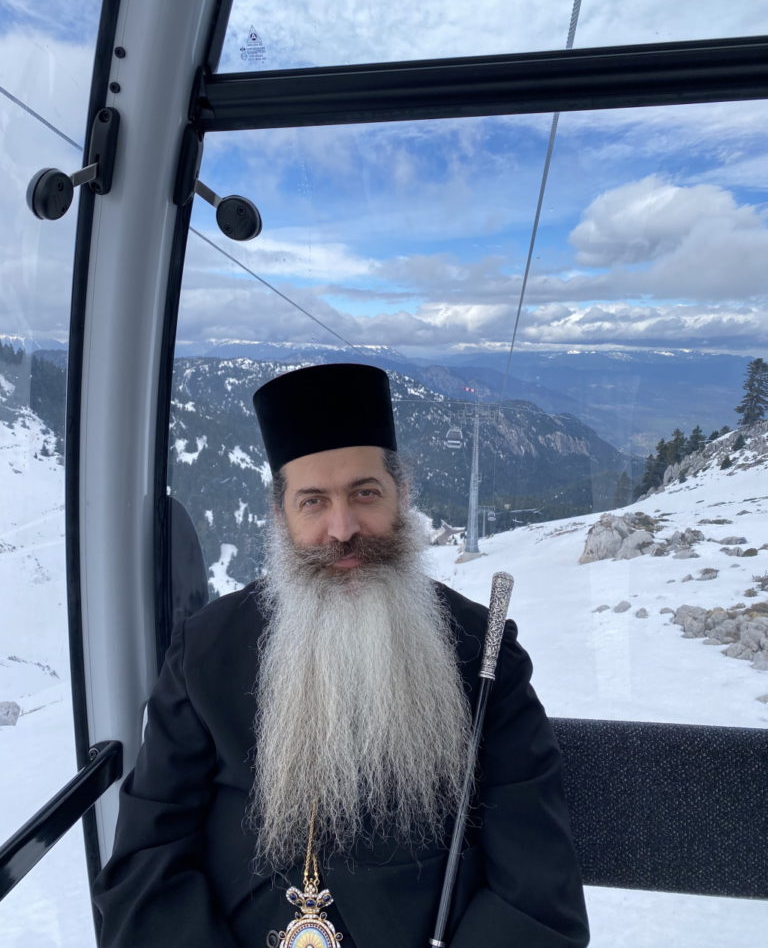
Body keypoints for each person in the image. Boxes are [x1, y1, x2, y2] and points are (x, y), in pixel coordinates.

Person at [93, 363, 589, 948]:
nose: (343, 528)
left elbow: (535, 892)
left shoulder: (482, 651)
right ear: (281, 517)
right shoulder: (206, 649)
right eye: (313, 502)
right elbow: (146, 860)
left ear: (402, 497)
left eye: (365, 493)